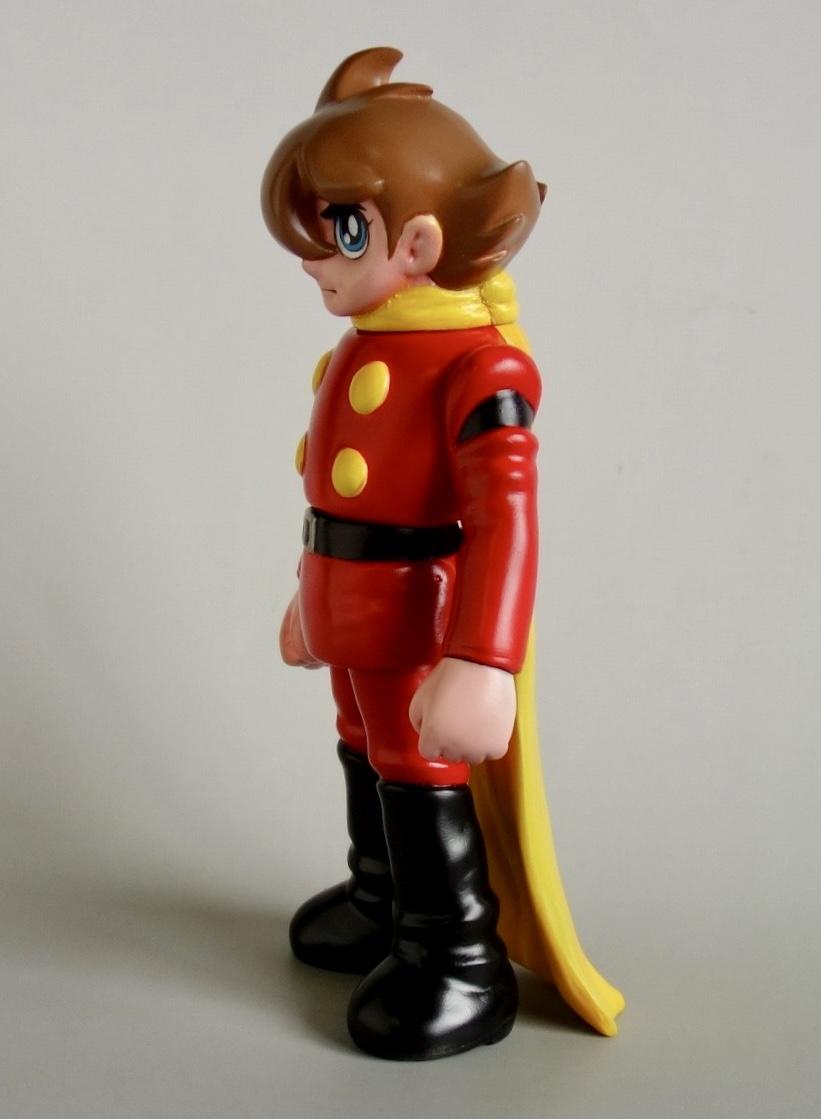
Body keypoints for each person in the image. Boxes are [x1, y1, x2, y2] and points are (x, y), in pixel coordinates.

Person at [262, 46, 624, 1061]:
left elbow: (506, 518)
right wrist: (308, 601)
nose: (313, 259)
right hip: (353, 603)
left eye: (340, 231)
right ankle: (382, 895)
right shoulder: (367, 344)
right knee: (362, 741)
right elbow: (336, 492)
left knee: (415, 762)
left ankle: (456, 952)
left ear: (418, 242)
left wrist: (483, 658)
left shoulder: (478, 366)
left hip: (422, 613)